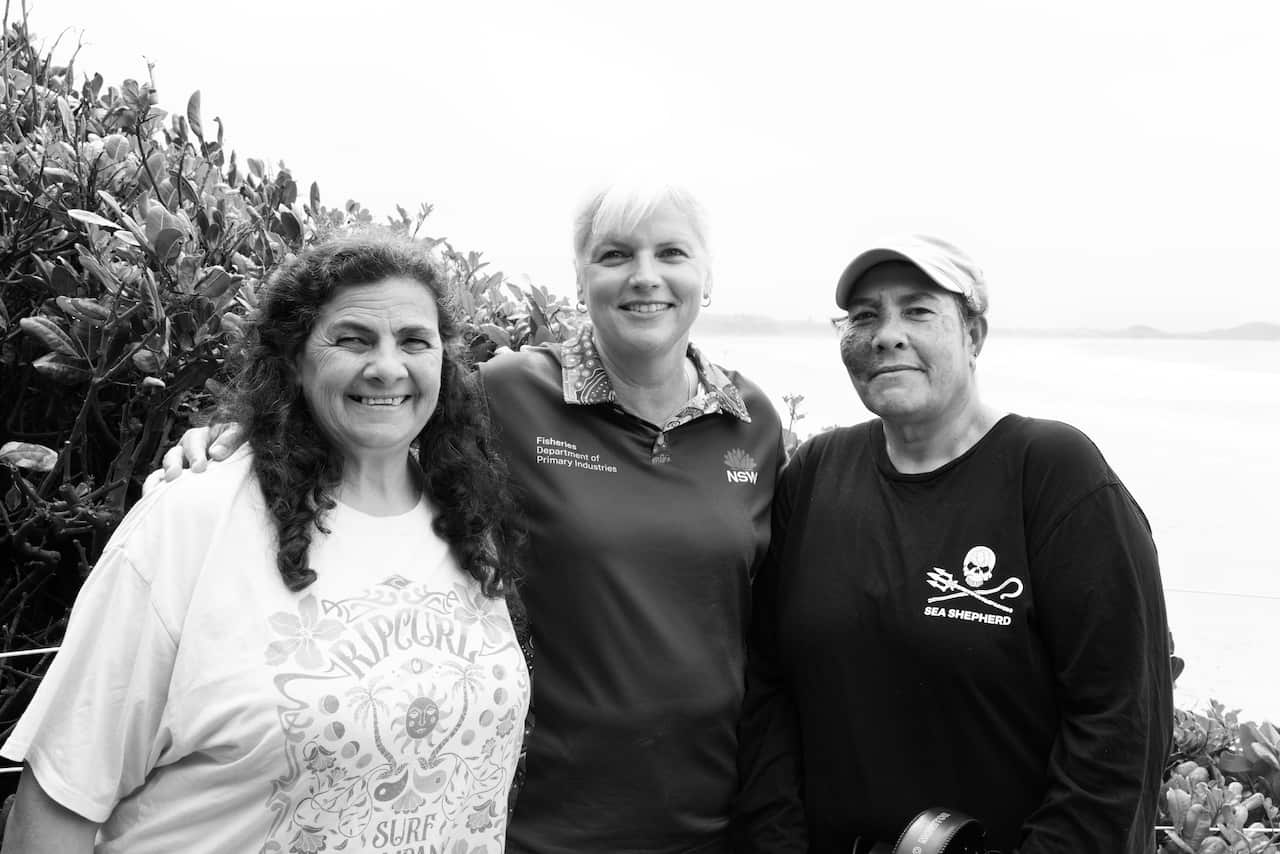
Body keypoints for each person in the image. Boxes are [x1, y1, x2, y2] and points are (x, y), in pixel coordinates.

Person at [155, 182, 786, 853]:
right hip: (537, 819)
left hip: (713, 820)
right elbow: (376, 417)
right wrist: (239, 440)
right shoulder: (513, 392)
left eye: (672, 253)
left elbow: (770, 632)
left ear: (706, 278)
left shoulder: (754, 424)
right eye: (614, 255)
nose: (645, 276)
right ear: (580, 279)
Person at [0, 236, 530, 853]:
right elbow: (58, 802)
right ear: (294, 360)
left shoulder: (465, 523)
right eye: (352, 339)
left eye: (415, 341)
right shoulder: (194, 519)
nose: (388, 367)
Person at [736, 234, 1172, 853]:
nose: (886, 335)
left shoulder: (1053, 475)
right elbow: (767, 688)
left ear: (974, 335)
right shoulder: (814, 474)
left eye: (918, 310)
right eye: (865, 316)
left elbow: (1119, 726)